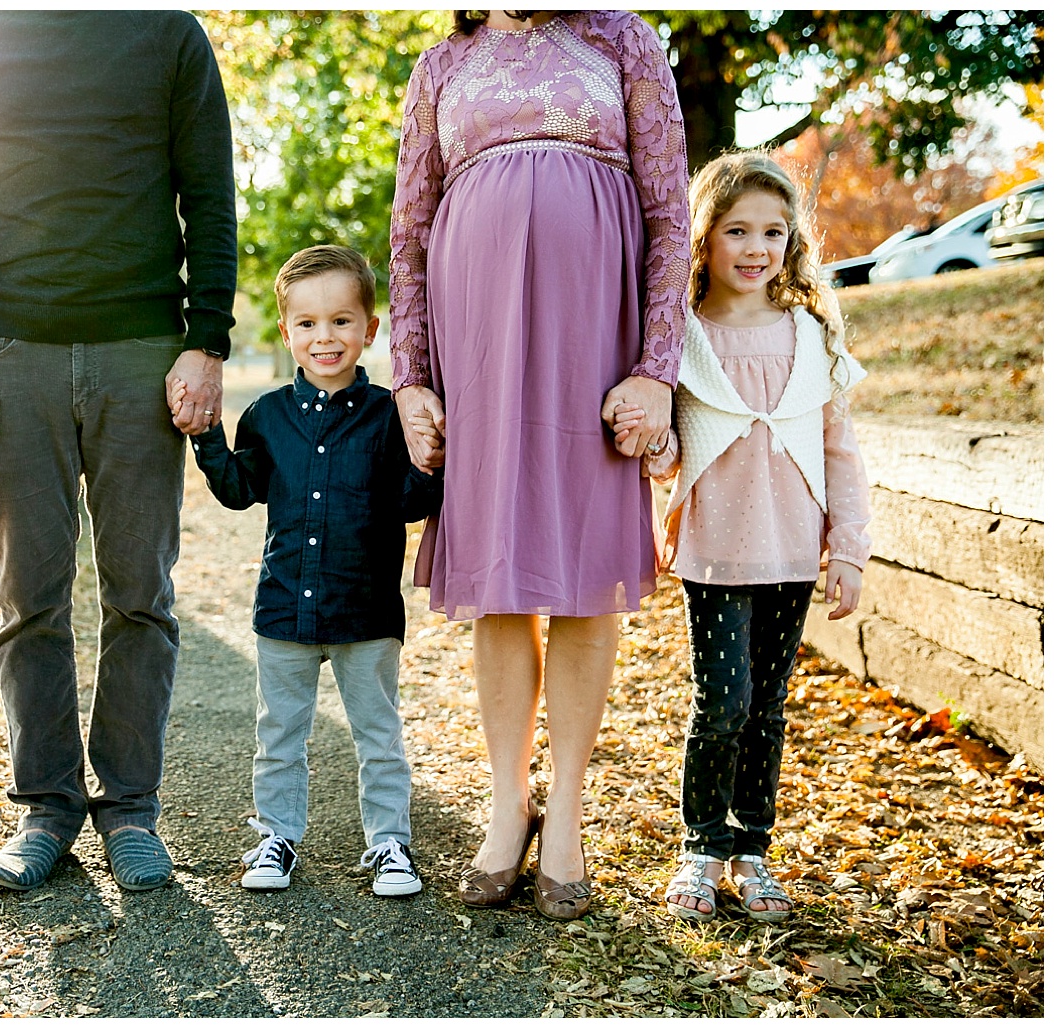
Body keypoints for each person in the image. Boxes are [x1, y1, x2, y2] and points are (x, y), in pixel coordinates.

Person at [0, 11, 237, 892]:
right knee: (30, 601)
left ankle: (131, 809)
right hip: (13, 353)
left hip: (142, 353)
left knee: (141, 594)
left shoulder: (169, 33)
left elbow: (209, 189)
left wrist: (207, 339)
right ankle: (46, 808)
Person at [388, 10, 691, 918]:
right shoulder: (443, 64)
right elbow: (408, 235)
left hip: (591, 345)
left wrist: (655, 371)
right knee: (503, 582)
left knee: (584, 582)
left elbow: (671, 214)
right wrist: (412, 381)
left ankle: (566, 812)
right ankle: (505, 806)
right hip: (478, 353)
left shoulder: (621, 39)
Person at [615, 152, 870, 922]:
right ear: (703, 239)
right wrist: (654, 445)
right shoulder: (683, 341)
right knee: (723, 699)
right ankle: (701, 846)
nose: (756, 248)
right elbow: (671, 453)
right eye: (737, 231)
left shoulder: (811, 335)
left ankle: (752, 847)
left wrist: (849, 549)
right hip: (716, 552)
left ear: (791, 243)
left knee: (768, 705)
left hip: (794, 552)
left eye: (773, 232)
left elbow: (841, 452)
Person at [179, 245, 443, 896]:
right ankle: (276, 836)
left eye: (341, 321)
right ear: (286, 331)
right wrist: (208, 436)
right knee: (279, 734)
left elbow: (412, 503)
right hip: (285, 609)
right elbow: (241, 490)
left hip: (366, 610)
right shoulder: (267, 417)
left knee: (379, 734)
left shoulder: (389, 416)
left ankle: (389, 844)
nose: (325, 337)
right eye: (308, 324)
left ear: (370, 328)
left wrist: (430, 462)